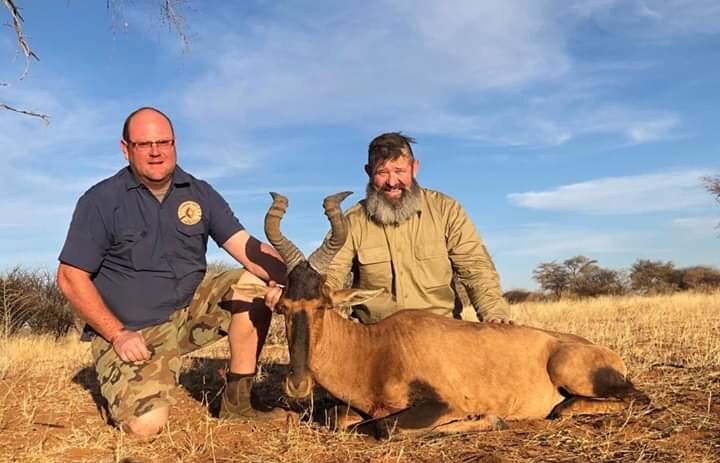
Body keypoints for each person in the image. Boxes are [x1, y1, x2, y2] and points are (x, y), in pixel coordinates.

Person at [57, 107, 287, 438]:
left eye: (163, 141)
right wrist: (116, 333)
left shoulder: (200, 192)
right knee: (146, 427)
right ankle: (126, 380)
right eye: (144, 144)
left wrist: (292, 280)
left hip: (187, 314)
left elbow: (246, 247)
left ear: (175, 143)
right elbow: (69, 277)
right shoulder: (101, 200)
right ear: (126, 148)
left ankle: (238, 404)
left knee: (254, 283)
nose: (156, 151)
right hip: (133, 333)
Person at [324, 132, 511, 324]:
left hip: (441, 333)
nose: (392, 181)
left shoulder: (446, 210)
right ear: (368, 172)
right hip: (376, 339)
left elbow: (475, 267)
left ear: (414, 168)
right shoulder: (351, 221)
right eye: (382, 173)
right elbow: (330, 276)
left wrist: (495, 315)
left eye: (399, 171)